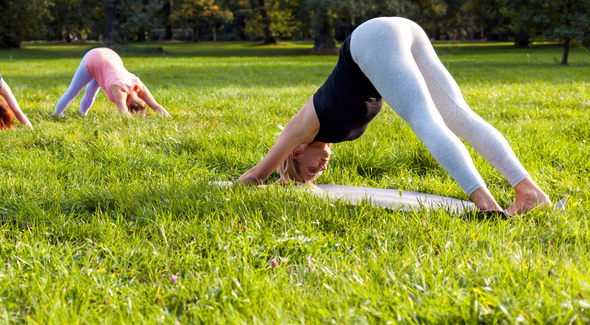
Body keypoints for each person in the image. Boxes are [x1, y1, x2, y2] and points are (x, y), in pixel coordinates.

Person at [236, 17, 551, 216]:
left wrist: (226, 187)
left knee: (426, 120)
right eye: (316, 173)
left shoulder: (299, 129)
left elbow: (255, 177)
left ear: (297, 151)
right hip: (401, 30)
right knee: (460, 117)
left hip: (373, 40)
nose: (321, 167)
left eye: (309, 168)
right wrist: (288, 184)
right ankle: (529, 191)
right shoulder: (322, 135)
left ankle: (486, 204)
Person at [52, 47, 169, 118]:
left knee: (92, 90)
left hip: (111, 57)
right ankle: (57, 114)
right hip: (94, 57)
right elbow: (124, 114)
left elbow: (155, 105)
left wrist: (168, 118)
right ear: (128, 104)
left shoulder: (139, 86)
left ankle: (82, 114)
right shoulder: (120, 90)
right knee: (74, 90)